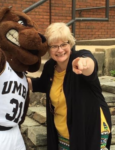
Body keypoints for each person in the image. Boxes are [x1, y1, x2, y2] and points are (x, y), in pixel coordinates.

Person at [27, 22, 112, 150]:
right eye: (54, 46)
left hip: (90, 129)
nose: (60, 50)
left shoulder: (80, 57)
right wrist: (17, 79)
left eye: (63, 44)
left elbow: (90, 65)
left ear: (70, 44)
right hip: (64, 132)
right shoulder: (50, 67)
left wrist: (84, 63)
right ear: (48, 49)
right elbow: (41, 84)